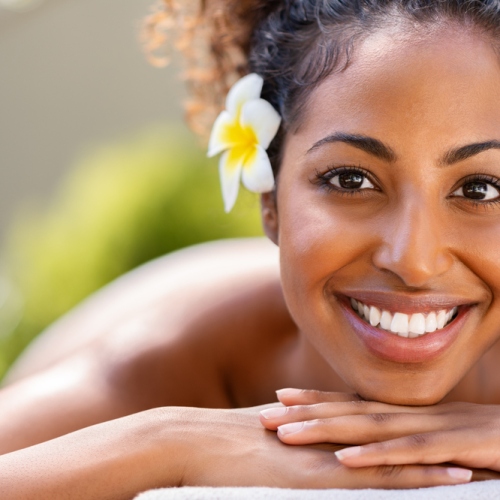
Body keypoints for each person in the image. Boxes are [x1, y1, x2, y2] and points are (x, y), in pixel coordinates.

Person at [2, 0, 500, 496]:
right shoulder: (184, 355)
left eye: (480, 190)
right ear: (270, 200)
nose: (413, 260)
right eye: (351, 180)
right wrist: (168, 440)